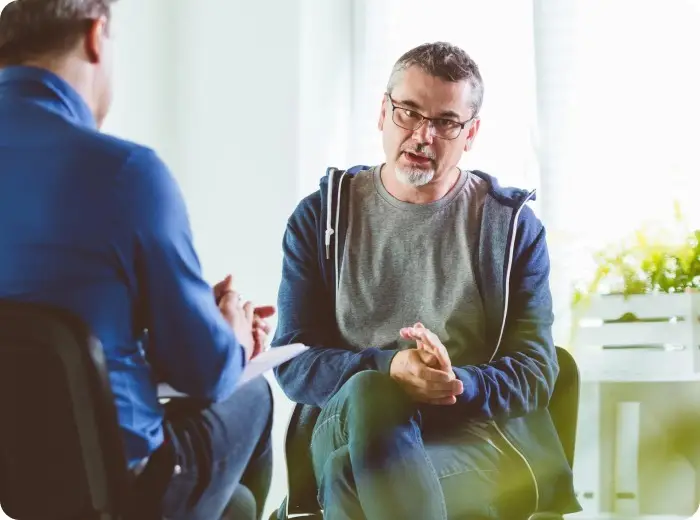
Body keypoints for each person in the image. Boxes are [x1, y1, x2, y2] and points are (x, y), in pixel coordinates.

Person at [271, 42, 581, 519]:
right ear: (383, 112)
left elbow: (538, 371)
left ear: (470, 133)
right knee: (373, 391)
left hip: (466, 437)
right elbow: (293, 363)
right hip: (343, 421)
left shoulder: (510, 227)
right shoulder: (321, 218)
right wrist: (390, 368)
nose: (422, 135)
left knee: (347, 480)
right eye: (409, 114)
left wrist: (457, 382)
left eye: (445, 122)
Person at [0, 1, 274, 518]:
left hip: (20, 479)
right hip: (126, 487)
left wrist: (164, 313)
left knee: (231, 507)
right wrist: (232, 329)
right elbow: (205, 371)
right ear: (97, 36)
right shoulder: (125, 173)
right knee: (254, 392)